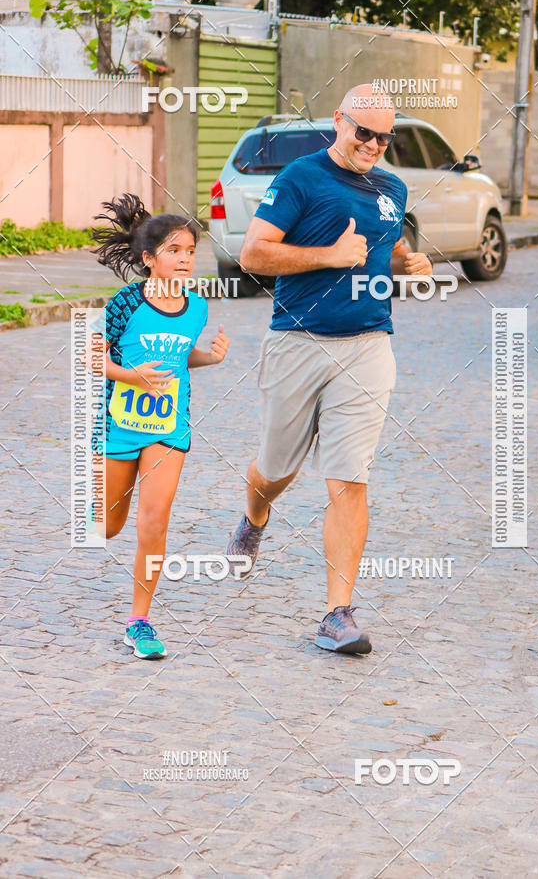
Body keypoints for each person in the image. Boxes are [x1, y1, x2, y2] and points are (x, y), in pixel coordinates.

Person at [227, 84, 433, 655]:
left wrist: (406, 262)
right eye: (363, 131)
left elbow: (383, 245)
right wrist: (328, 257)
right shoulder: (301, 177)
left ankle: (337, 614)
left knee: (349, 477)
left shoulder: (392, 187)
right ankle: (254, 517)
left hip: (368, 345)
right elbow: (252, 254)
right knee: (276, 468)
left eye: (384, 136)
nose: (373, 144)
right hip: (297, 341)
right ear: (339, 121)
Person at [89, 193, 230, 659]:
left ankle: (140, 621)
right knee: (107, 526)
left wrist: (209, 357)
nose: (185, 259)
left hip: (169, 426)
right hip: (118, 423)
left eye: (190, 251)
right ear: (149, 259)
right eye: (174, 251)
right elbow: (90, 355)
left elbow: (179, 358)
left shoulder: (197, 307)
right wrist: (130, 376)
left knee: (154, 522)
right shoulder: (125, 303)